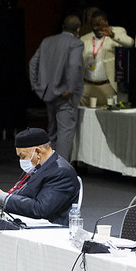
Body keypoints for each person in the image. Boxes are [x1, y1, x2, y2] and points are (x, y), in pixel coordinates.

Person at [0, 128, 79, 225]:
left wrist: (4, 197)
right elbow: (21, 196)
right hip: (26, 222)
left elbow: (41, 209)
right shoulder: (36, 166)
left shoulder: (61, 172)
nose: (21, 160)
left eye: (22, 156)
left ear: (37, 152)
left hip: (49, 230)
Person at [29, 15, 84, 161]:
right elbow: (74, 66)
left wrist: (36, 86)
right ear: (78, 29)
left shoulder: (47, 41)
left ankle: (48, 167)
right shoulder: (76, 43)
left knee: (52, 132)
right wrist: (70, 89)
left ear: (63, 27)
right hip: (65, 95)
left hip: (48, 93)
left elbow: (33, 63)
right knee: (65, 133)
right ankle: (61, 172)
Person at [80, 9, 134, 107]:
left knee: (107, 117)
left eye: (98, 24)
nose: (95, 27)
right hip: (86, 87)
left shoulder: (117, 32)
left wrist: (113, 35)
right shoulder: (84, 39)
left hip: (107, 86)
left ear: (106, 22)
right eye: (93, 24)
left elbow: (130, 43)